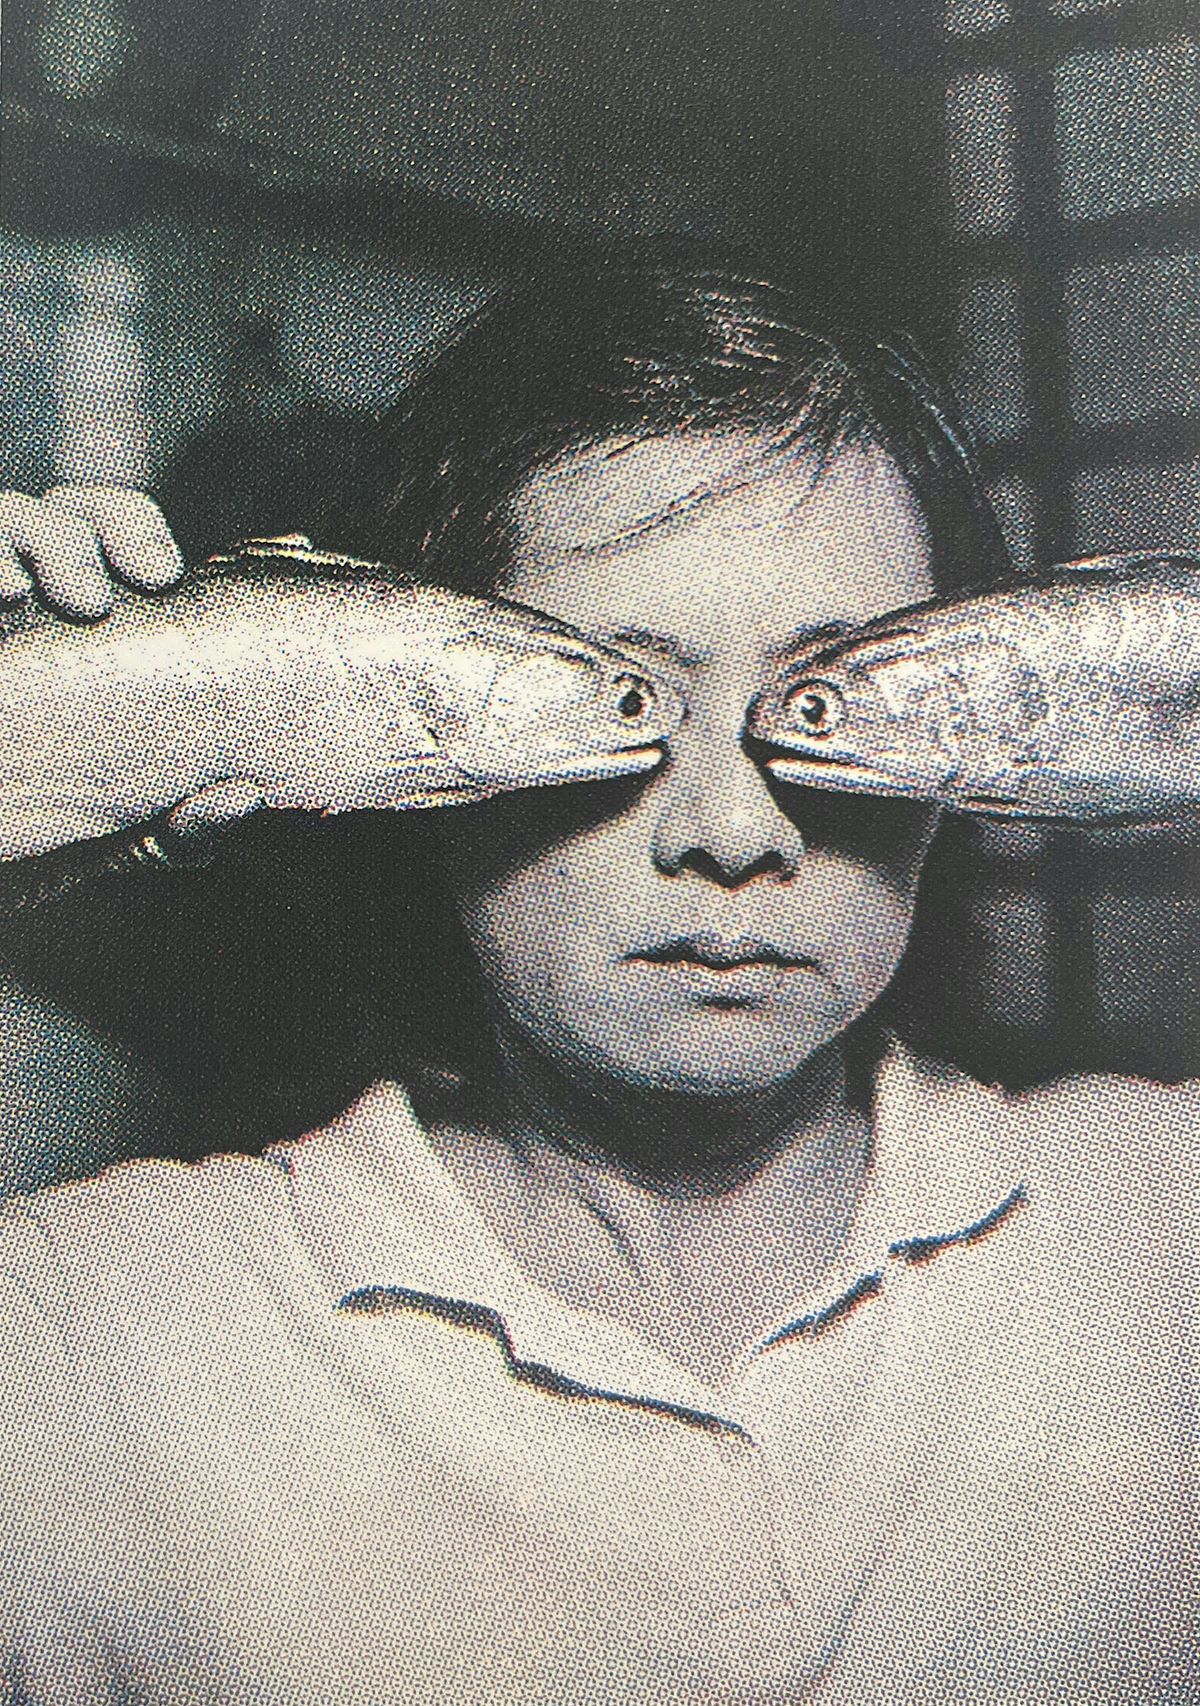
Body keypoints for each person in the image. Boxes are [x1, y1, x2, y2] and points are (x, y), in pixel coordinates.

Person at [0, 268, 1193, 1703]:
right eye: (622, 700)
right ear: (398, 751)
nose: (732, 831)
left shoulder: (1160, 1227)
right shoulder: (88, 1331)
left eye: (830, 699)